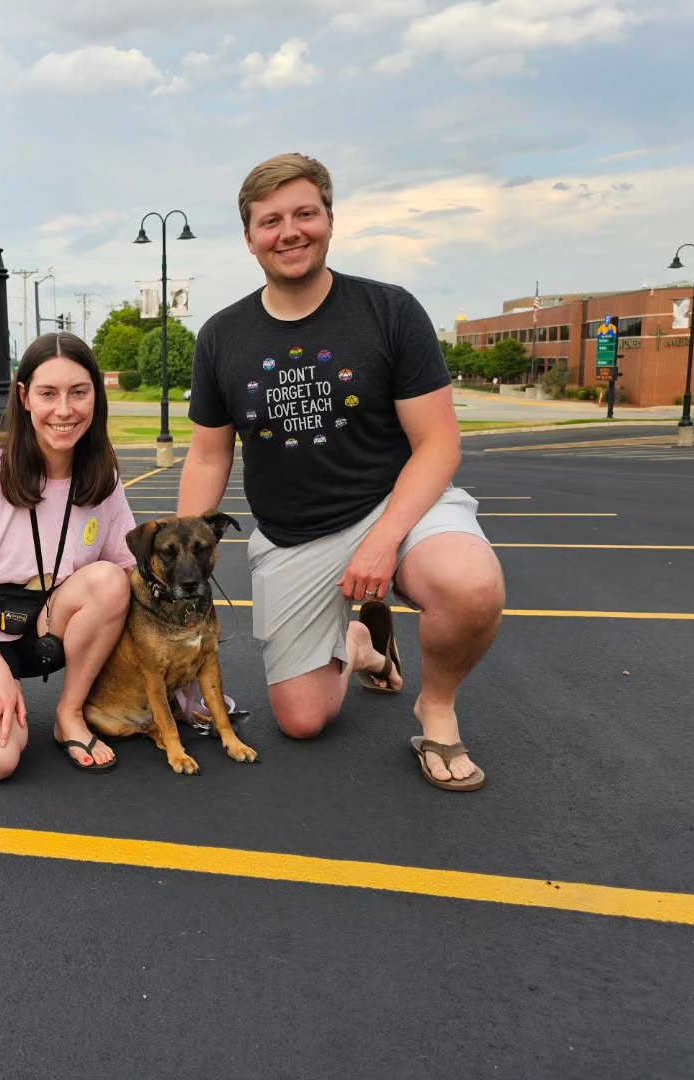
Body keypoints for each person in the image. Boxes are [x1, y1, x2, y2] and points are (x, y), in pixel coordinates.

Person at [178, 153, 505, 792]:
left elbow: (438, 443)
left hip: (396, 505)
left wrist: (384, 540)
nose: (290, 232)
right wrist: (182, 555)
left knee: (470, 584)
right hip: (295, 536)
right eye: (271, 221)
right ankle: (362, 646)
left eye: (305, 214)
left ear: (330, 220)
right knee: (302, 720)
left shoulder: (389, 310)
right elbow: (210, 455)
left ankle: (436, 708)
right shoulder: (221, 335)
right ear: (249, 238)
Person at [0, 332, 137, 780]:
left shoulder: (103, 477)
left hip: (46, 626)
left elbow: (128, 569)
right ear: (24, 397)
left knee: (110, 580)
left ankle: (69, 716)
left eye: (78, 392)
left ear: (96, 396)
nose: (64, 410)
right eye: (48, 394)